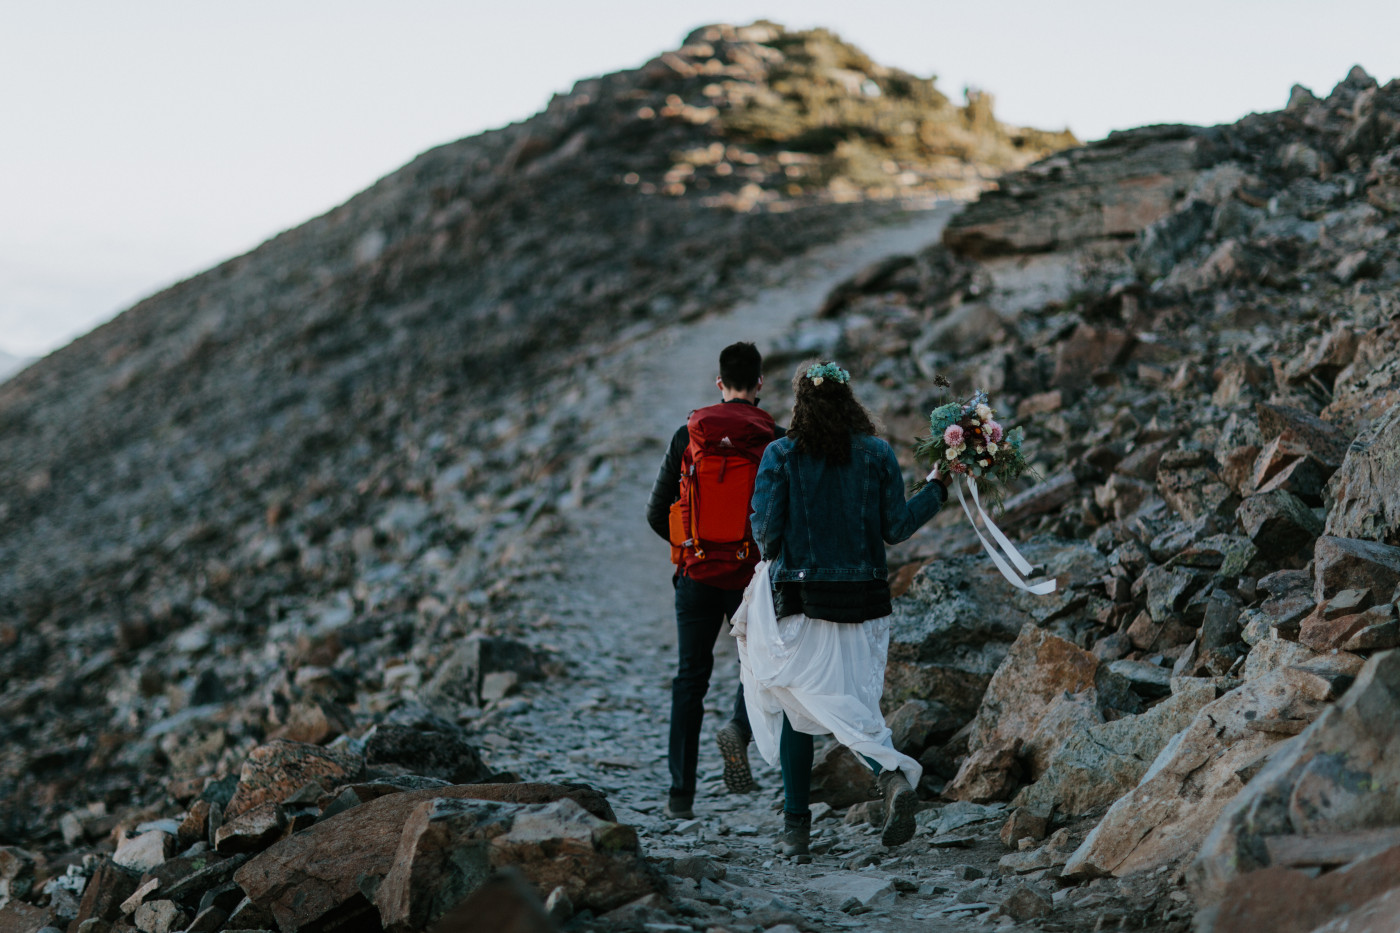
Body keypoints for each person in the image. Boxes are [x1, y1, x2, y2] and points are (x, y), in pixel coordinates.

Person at [746, 360, 950, 858]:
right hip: (864, 603)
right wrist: (938, 487)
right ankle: (891, 779)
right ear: (849, 400)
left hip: (801, 601)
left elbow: (767, 537)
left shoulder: (781, 454)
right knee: (850, 706)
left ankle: (797, 828)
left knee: (798, 705)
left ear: (801, 404)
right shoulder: (877, 452)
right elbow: (896, 528)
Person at [646, 341, 785, 819]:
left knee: (690, 680)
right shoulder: (775, 439)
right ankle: (740, 727)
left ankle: (680, 795)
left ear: (719, 383)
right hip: (750, 577)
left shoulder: (688, 435)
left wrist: (692, 546)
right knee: (760, 668)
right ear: (760, 384)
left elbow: (656, 513)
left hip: (697, 573)